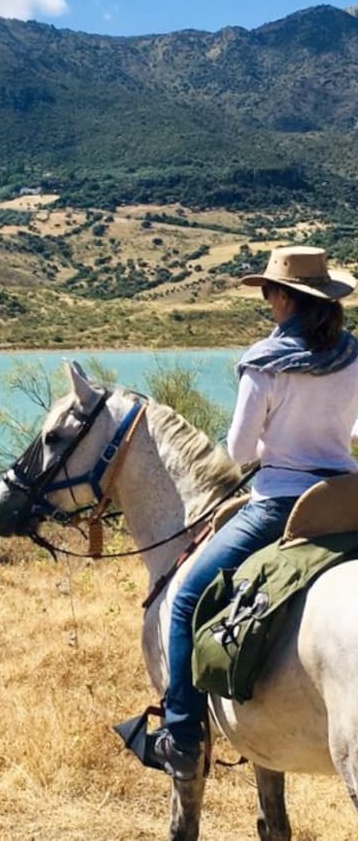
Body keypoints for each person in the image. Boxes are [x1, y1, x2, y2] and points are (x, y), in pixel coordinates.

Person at [154, 245, 358, 781]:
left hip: (278, 504)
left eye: (269, 291)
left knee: (185, 599)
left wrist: (278, 446)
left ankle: (181, 734)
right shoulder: (352, 354)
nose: (267, 300)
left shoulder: (264, 363)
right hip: (346, 498)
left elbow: (241, 452)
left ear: (283, 297)